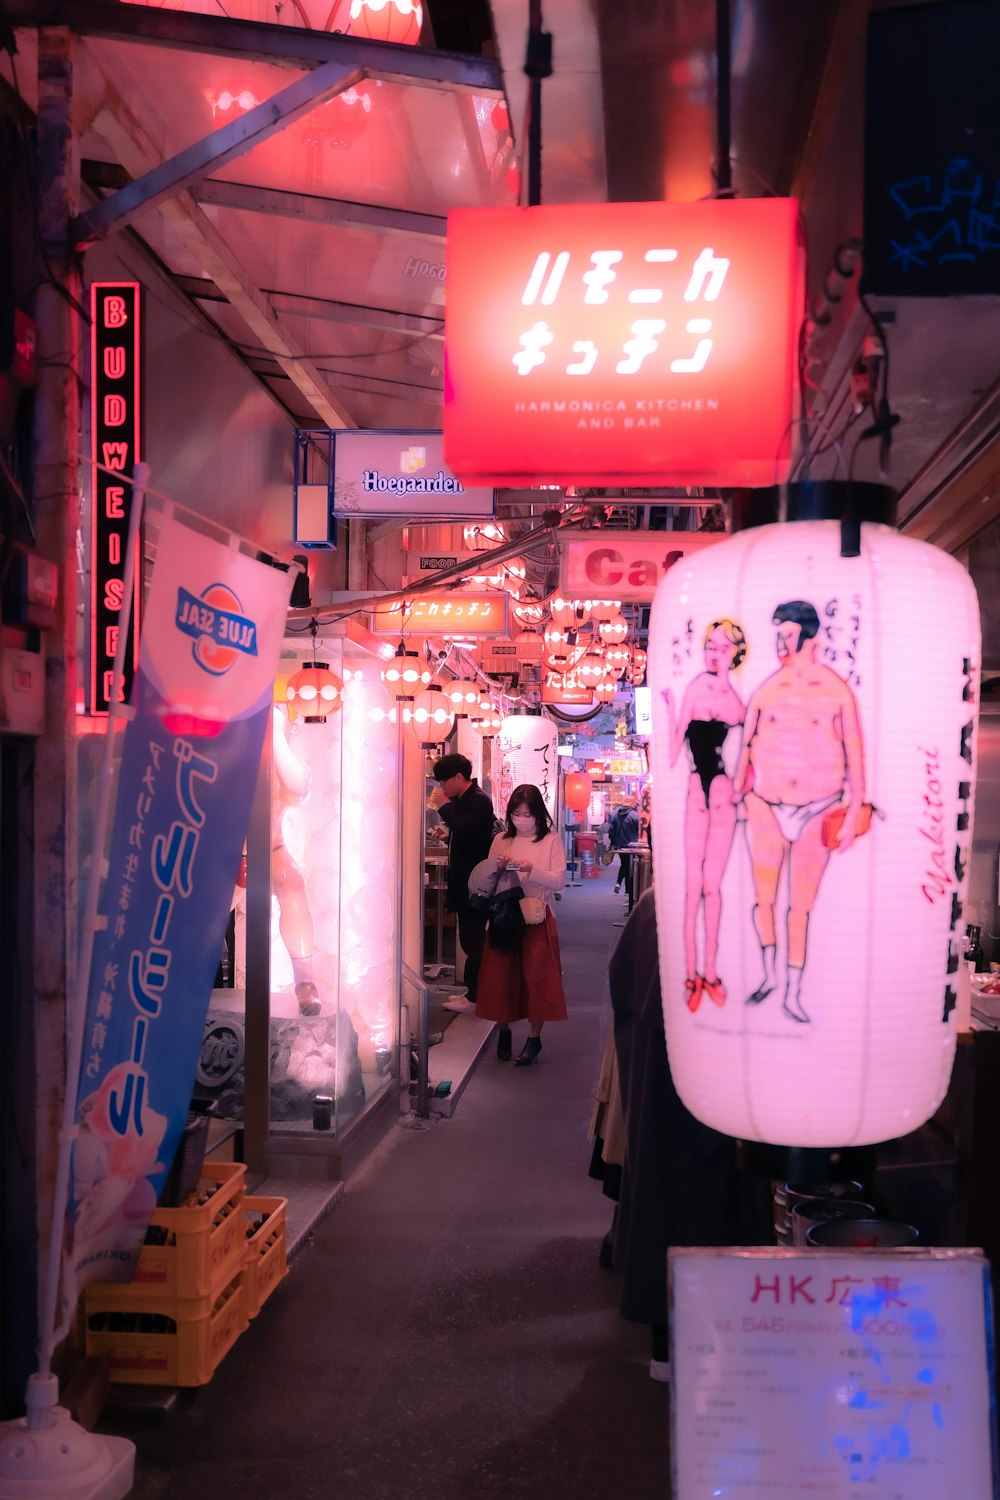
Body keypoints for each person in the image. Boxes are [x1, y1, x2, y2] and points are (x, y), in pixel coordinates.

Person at [610, 888, 771, 1381]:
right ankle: (729, 1337)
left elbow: (622, 981)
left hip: (661, 1076)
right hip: (728, 1081)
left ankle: (666, 1340)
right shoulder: (750, 902)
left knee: (663, 1196)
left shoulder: (658, 901)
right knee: (731, 1203)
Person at [733, 600, 867, 1024]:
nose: (780, 643)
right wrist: (736, 798)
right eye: (778, 635)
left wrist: (856, 809)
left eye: (787, 635)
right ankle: (769, 976)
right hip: (765, 805)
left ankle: (793, 989)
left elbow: (855, 756)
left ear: (810, 637)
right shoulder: (767, 689)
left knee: (801, 906)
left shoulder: (836, 691)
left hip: (819, 806)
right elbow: (744, 751)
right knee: (764, 899)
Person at [660, 618, 747, 1011]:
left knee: (714, 886)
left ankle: (710, 973)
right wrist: (671, 710)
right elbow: (675, 752)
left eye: (722, 647)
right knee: (692, 885)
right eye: (710, 646)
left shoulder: (739, 699)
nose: (714, 653)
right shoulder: (695, 688)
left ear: (735, 653)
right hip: (696, 787)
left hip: (725, 793)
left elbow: (748, 754)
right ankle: (691, 974)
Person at [475, 783, 567, 1064]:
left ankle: (533, 1039)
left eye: (527, 813)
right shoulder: (501, 839)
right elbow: (487, 878)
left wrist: (531, 869)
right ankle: (503, 1032)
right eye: (516, 813)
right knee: (501, 978)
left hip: (536, 917)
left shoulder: (550, 840)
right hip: (504, 917)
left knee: (538, 978)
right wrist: (499, 867)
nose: (521, 819)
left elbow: (559, 881)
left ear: (538, 813)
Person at [428, 753, 497, 1013]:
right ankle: (472, 993)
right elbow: (465, 835)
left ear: (459, 777)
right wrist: (447, 835)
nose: (442, 788)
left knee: (473, 942)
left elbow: (466, 830)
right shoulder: (467, 799)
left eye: (444, 782)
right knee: (471, 941)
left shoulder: (478, 800)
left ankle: (477, 998)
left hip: (474, 886)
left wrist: (444, 806)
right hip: (466, 884)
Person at [272, 705, 322, 1016]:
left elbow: (298, 787)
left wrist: (275, 732)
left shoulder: (284, 766)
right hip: (225, 854)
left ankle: (305, 982)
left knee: (293, 886)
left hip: (271, 850)